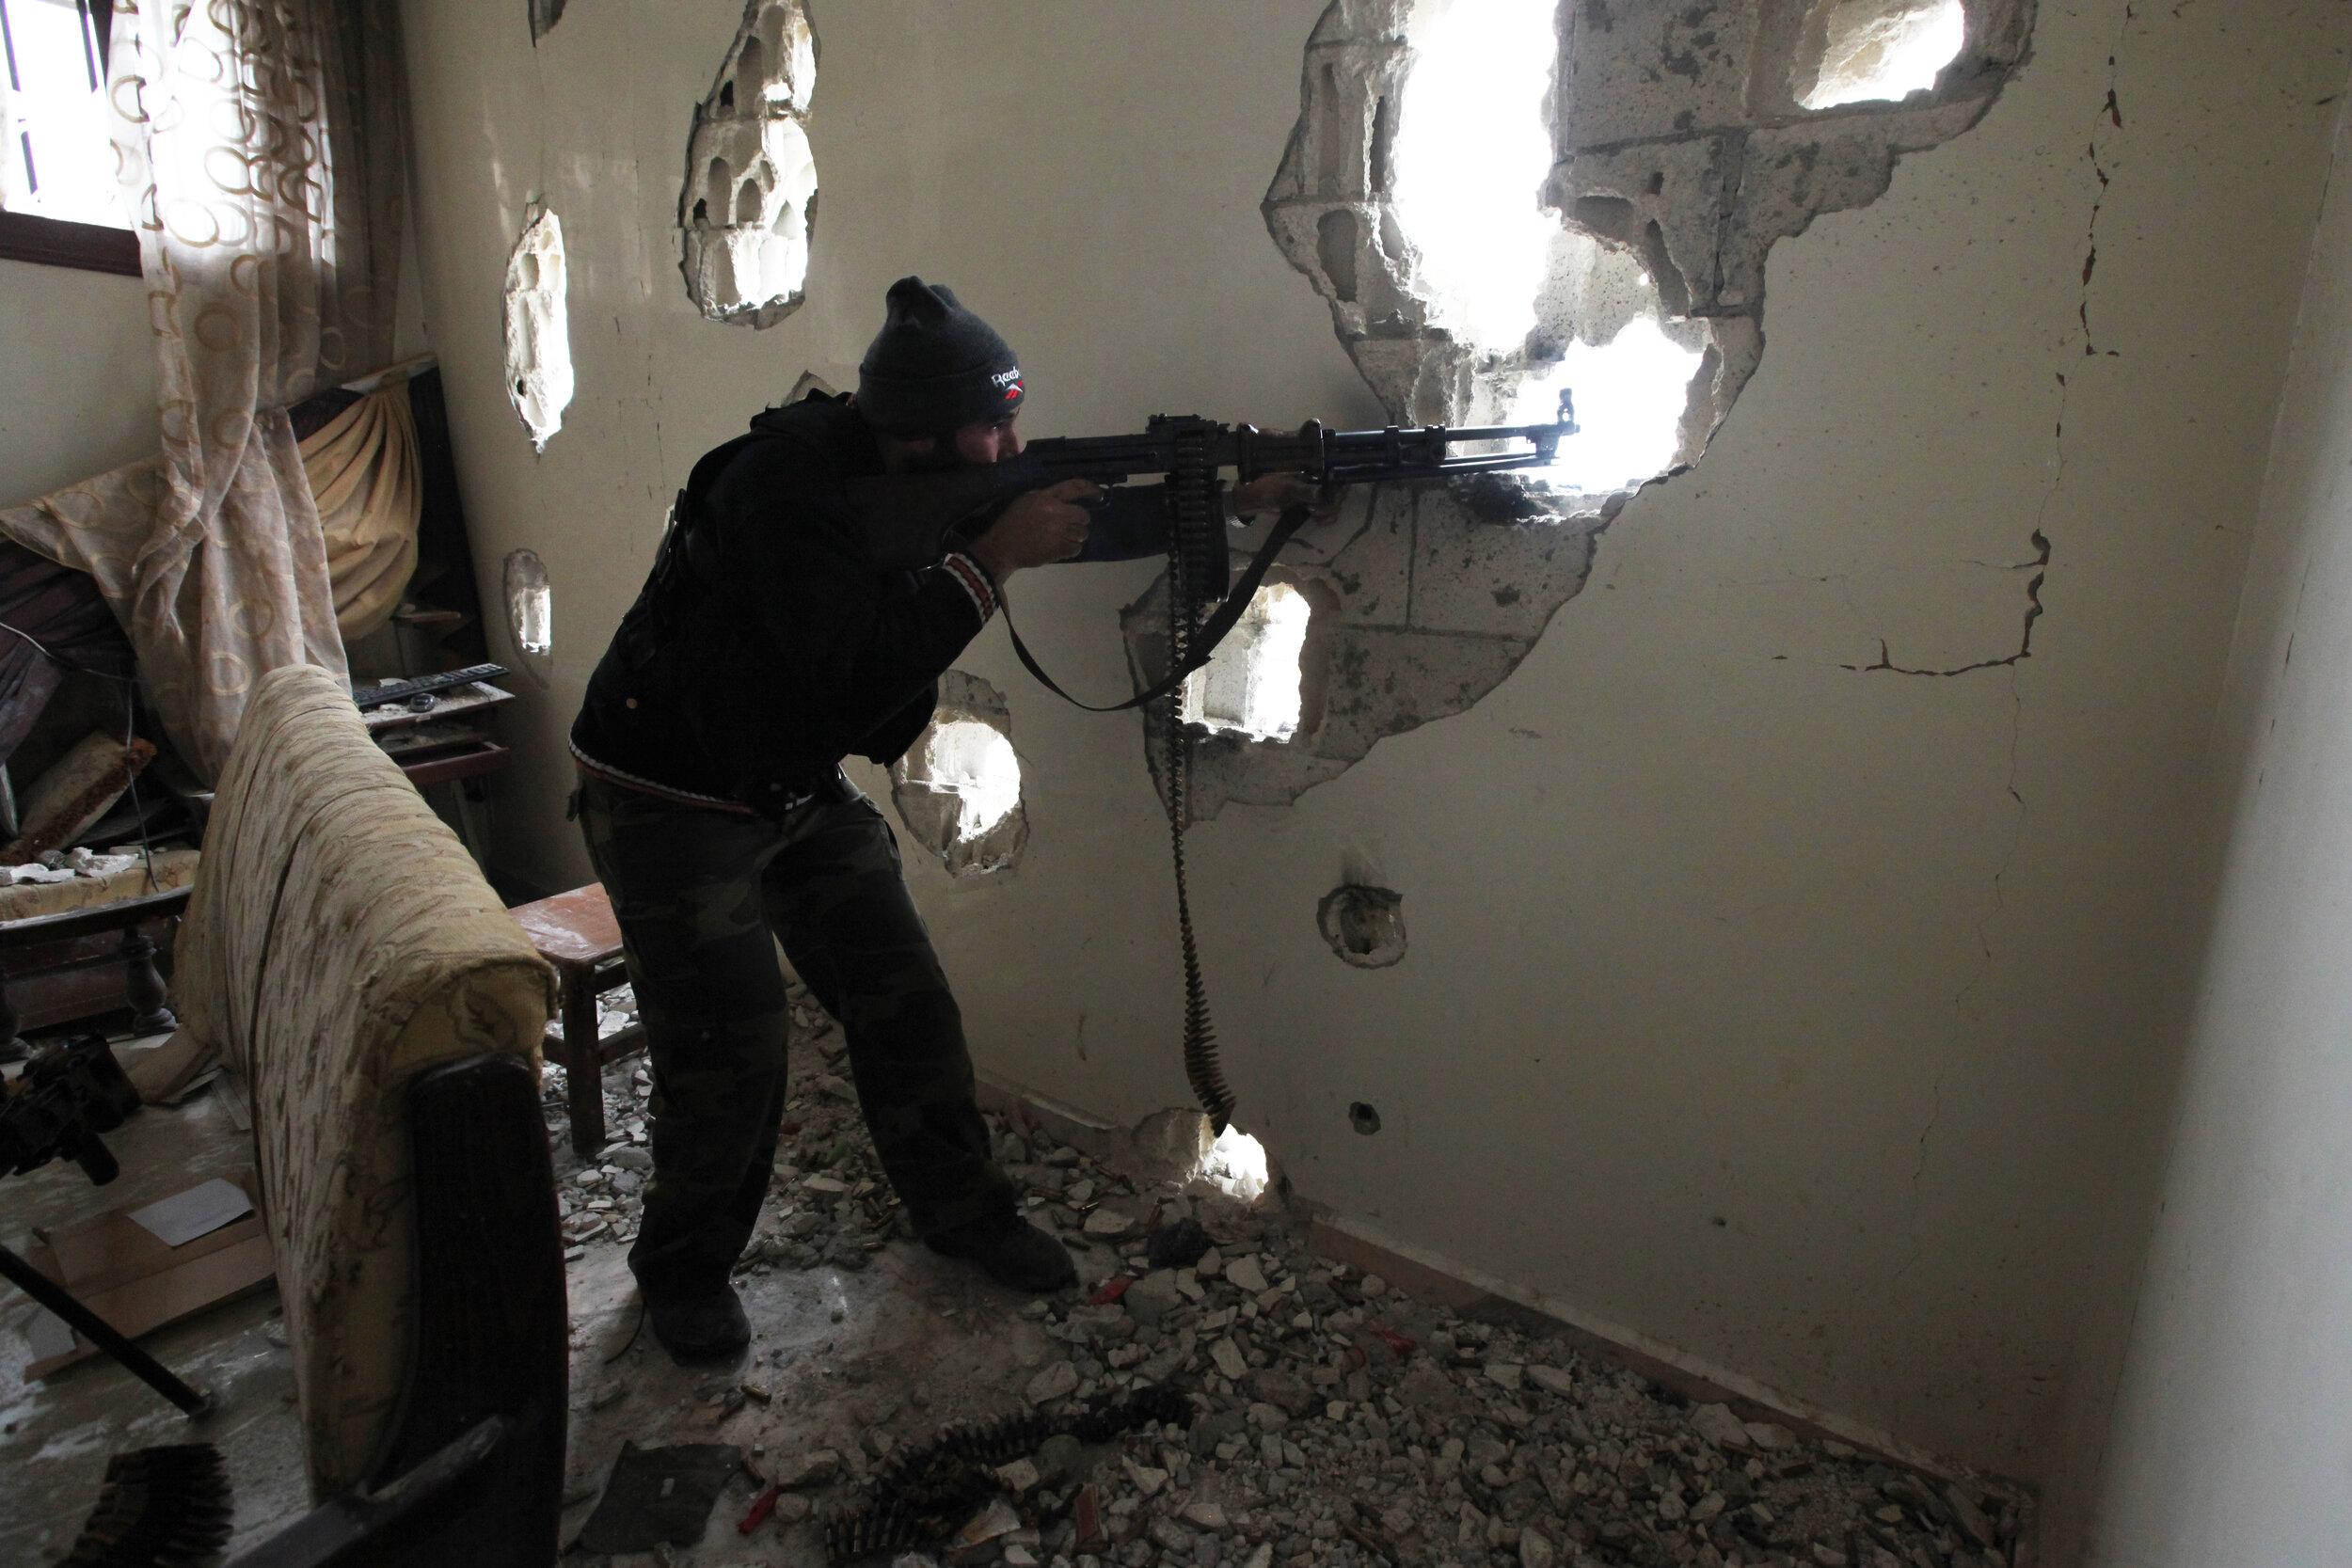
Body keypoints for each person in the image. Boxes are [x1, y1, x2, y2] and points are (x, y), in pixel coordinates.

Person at [568, 277, 1314, 1362]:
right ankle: (680, 1269)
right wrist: (990, 560)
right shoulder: (783, 493)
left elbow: (1053, 515)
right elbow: (854, 678)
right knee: (731, 1051)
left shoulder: (912, 469)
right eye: (992, 425)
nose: (1012, 444)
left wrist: (1233, 494)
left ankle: (963, 1212)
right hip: (669, 791)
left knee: (905, 1004)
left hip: (781, 771)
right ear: (917, 435)